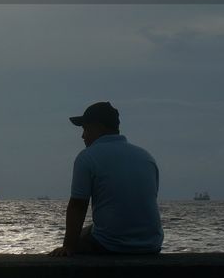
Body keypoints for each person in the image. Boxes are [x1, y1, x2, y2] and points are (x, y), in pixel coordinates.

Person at [50, 101, 162, 256]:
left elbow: (78, 206)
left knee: (77, 240)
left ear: (98, 127)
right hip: (152, 245)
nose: (82, 135)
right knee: (87, 231)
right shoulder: (146, 157)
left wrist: (68, 247)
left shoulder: (88, 157)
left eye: (85, 129)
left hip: (111, 246)